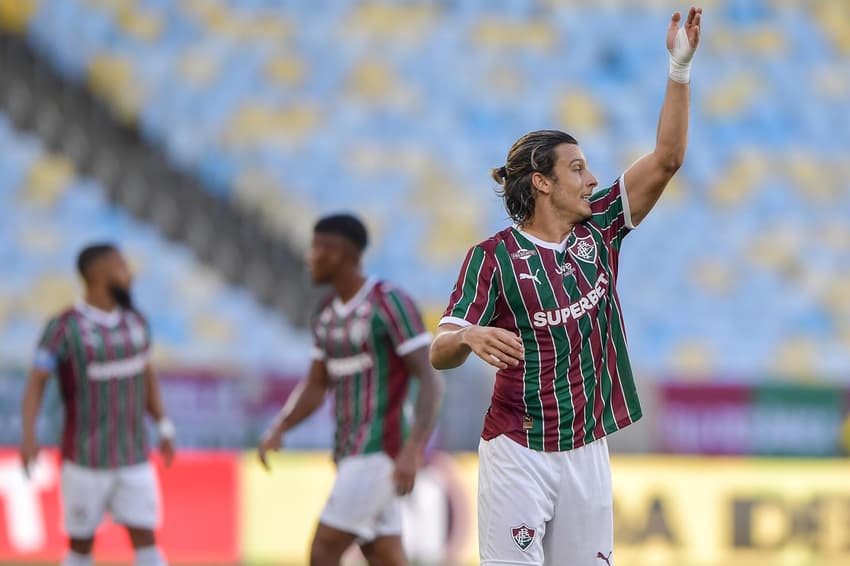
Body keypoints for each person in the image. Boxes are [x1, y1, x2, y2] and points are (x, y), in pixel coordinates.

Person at [430, 7, 702, 565]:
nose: (594, 178)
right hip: (517, 450)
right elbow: (439, 350)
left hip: (587, 450)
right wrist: (469, 337)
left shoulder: (600, 228)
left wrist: (678, 68)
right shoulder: (493, 259)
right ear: (543, 182)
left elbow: (668, 159)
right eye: (578, 168)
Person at [258, 213, 445, 566]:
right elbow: (316, 384)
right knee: (384, 554)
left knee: (323, 550)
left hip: (379, 450)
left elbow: (431, 380)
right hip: (348, 450)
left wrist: (413, 450)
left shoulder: (389, 303)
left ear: (339, 252)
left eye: (317, 248)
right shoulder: (326, 314)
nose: (309, 257)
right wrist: (281, 426)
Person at [20, 243, 175, 566]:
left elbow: (147, 377)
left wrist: (163, 425)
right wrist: (29, 435)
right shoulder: (64, 327)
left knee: (146, 537)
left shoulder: (136, 322)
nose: (129, 274)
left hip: (133, 456)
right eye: (122, 266)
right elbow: (36, 382)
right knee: (81, 544)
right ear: (99, 274)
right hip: (84, 459)